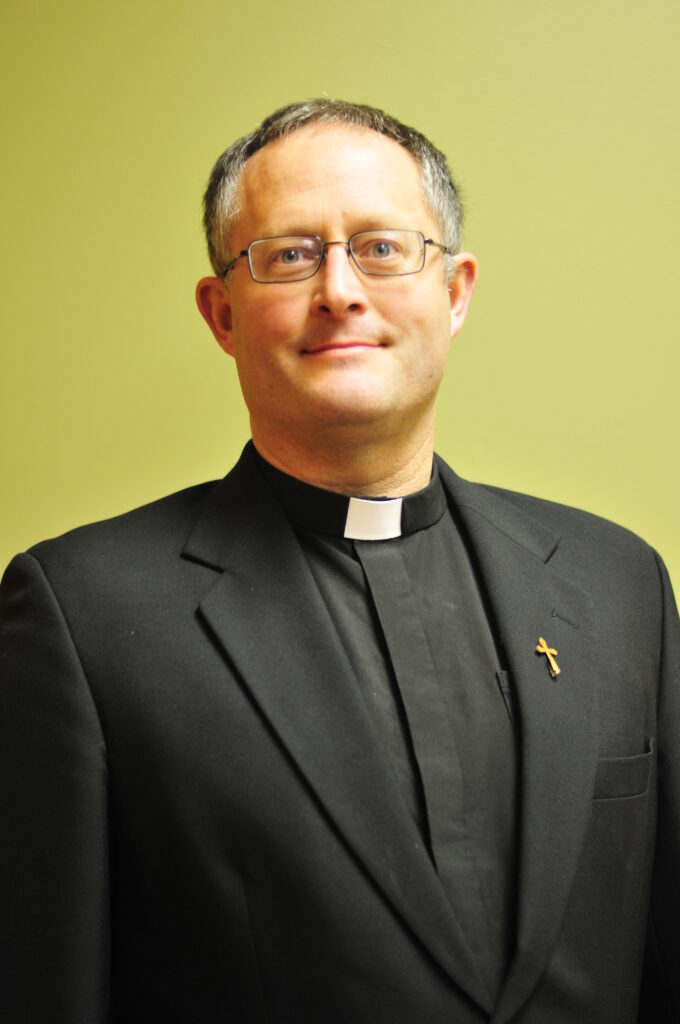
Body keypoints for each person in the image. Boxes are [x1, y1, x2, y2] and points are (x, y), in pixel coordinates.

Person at [0, 99, 678, 1024]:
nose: (341, 290)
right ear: (222, 313)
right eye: (290, 255)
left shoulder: (619, 584)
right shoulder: (84, 618)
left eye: (382, 248)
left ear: (457, 291)